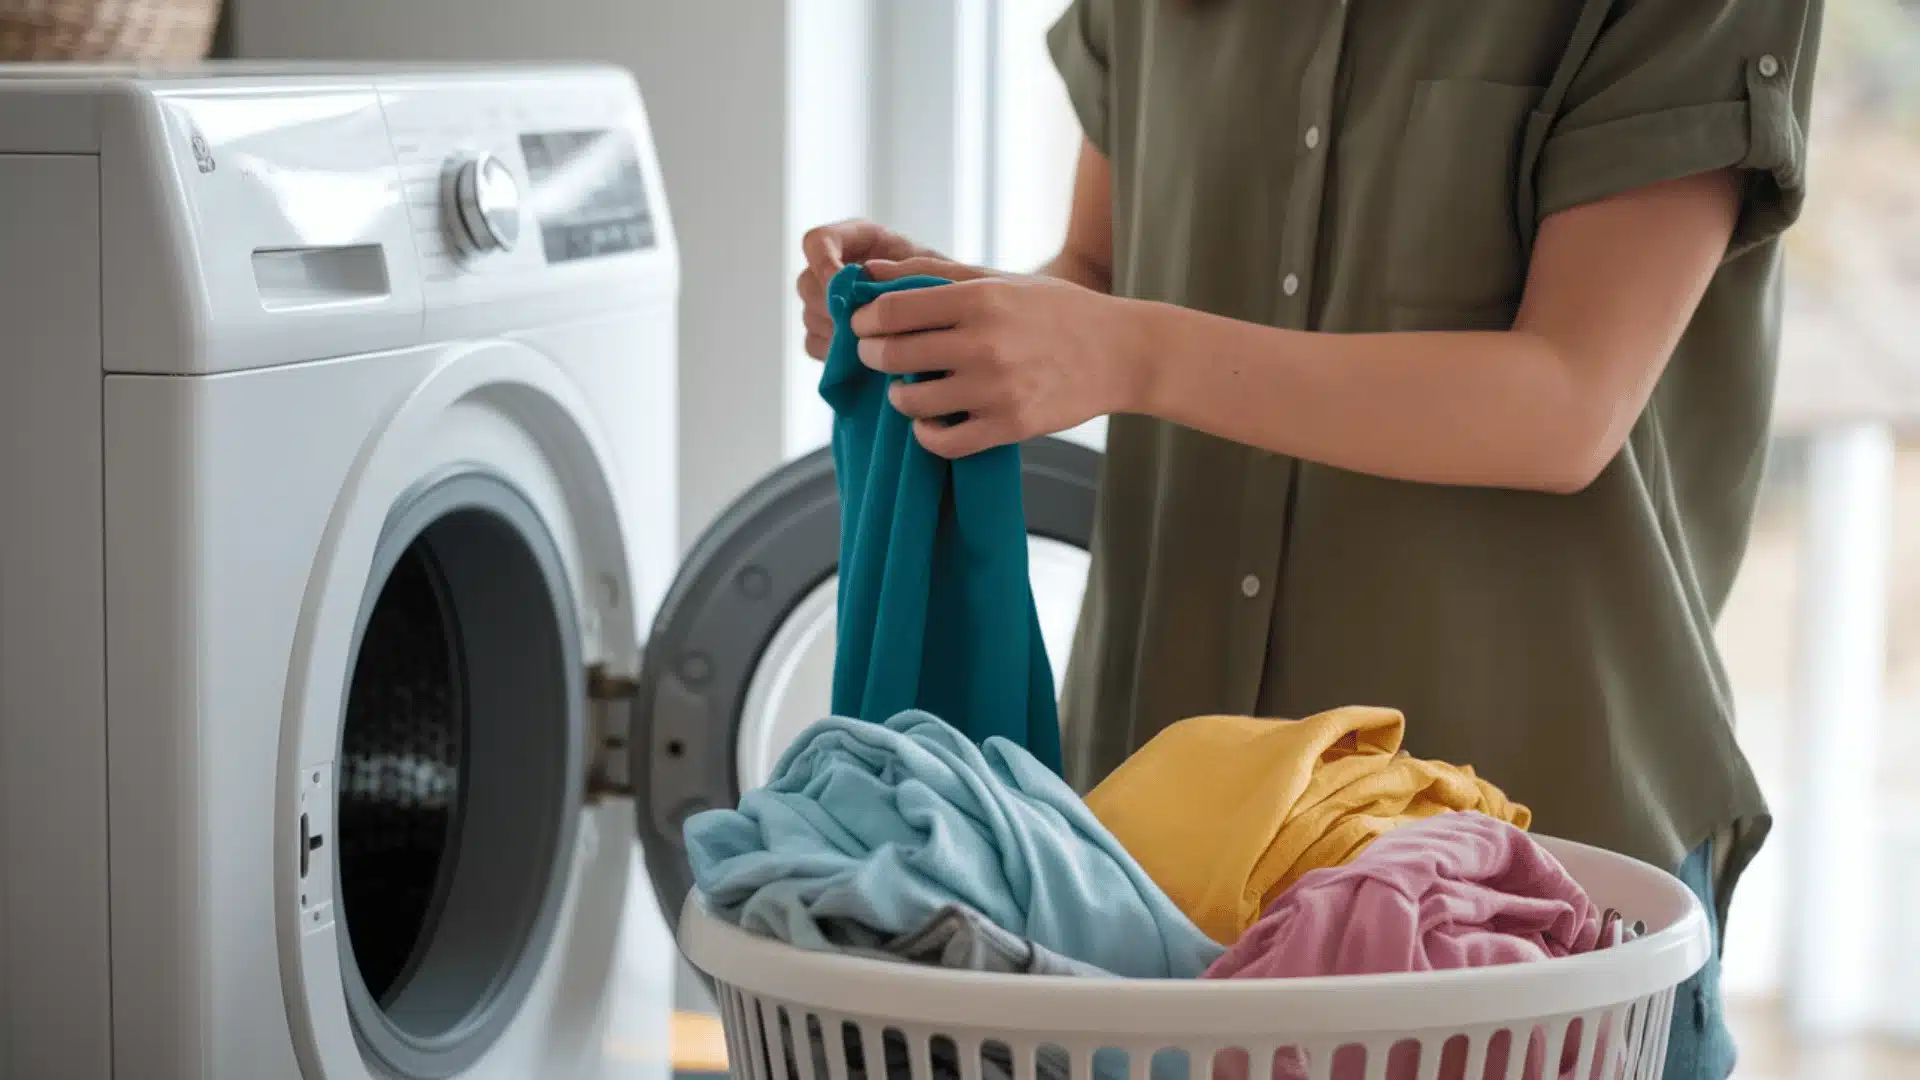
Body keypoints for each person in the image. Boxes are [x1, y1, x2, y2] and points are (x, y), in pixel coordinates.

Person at [794, 2, 1821, 1077]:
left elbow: (1568, 400)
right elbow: (1101, 270)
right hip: (1164, 865)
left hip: (1539, 900)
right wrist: (954, 327)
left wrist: (1129, 352)